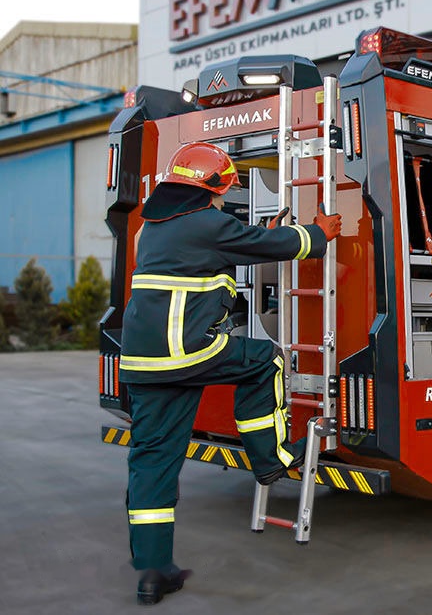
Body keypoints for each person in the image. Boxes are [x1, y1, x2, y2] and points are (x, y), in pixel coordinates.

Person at [117, 142, 341, 605]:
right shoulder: (206, 222)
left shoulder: (153, 227)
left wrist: (259, 230)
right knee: (266, 360)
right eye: (224, 192)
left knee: (152, 464)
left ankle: (153, 572)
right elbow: (273, 246)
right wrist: (317, 235)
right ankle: (271, 462)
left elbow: (225, 244)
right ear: (212, 188)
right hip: (187, 352)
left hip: (144, 362)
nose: (224, 199)